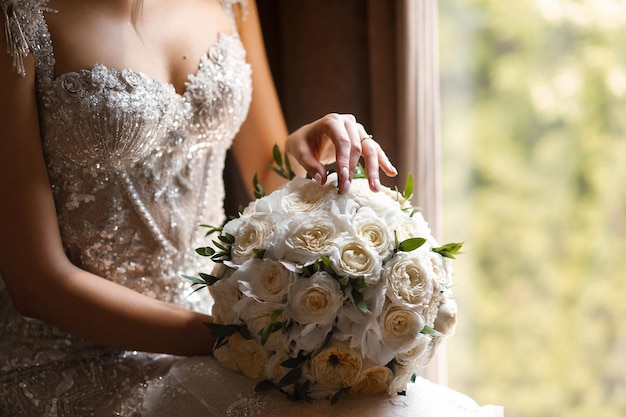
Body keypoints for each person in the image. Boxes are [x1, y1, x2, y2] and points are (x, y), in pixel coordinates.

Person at [0, 0, 503, 415]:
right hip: (70, 358)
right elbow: (38, 284)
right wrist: (247, 340)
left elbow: (268, 166)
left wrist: (309, 151)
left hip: (225, 336)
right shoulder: (18, 20)